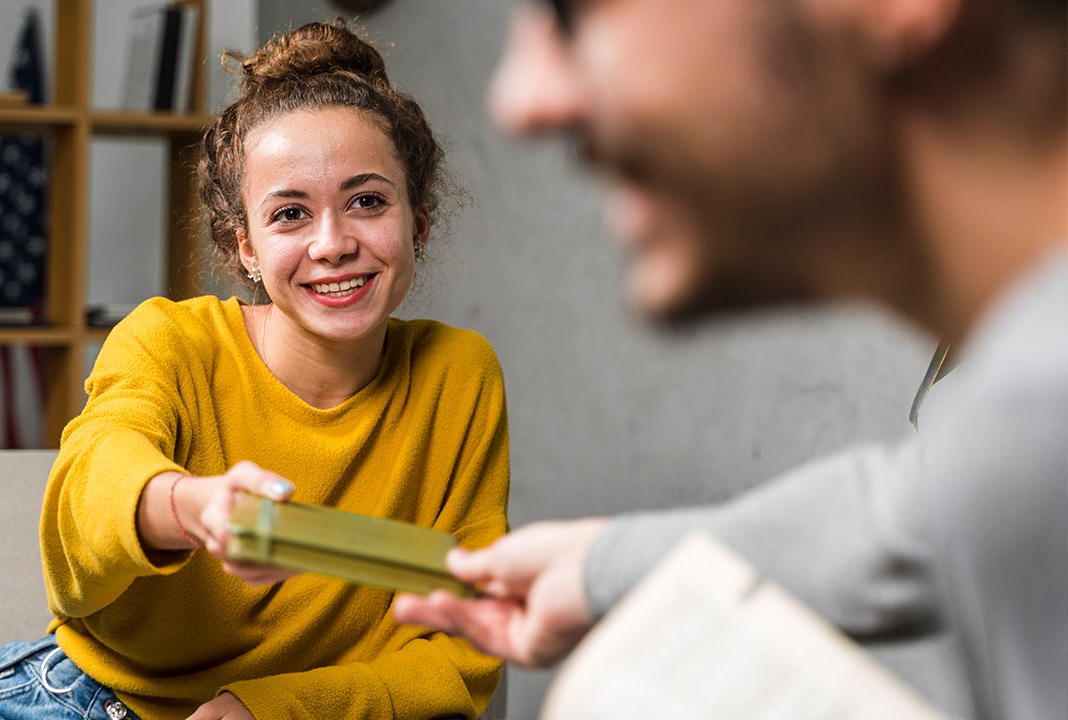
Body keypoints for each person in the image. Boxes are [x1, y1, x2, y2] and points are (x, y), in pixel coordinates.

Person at [394, 1, 1067, 717]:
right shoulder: (1019, 430)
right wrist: (596, 569)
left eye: (573, 13)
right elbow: (900, 518)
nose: (523, 100)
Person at [0, 20, 508, 720]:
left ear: (418, 222)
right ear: (245, 246)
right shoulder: (170, 341)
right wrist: (193, 508)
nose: (333, 243)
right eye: (289, 214)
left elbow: (462, 654)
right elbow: (85, 505)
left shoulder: (457, 376)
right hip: (85, 703)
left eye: (367, 201)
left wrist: (265, 710)